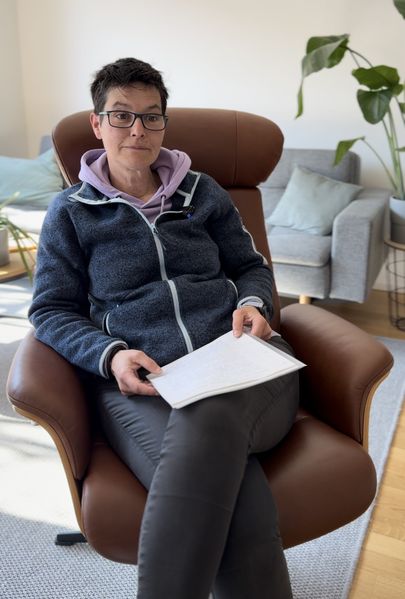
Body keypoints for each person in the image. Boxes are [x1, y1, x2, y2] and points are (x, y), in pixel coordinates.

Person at [29, 57, 299, 599]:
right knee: (240, 500)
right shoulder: (71, 213)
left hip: (243, 364)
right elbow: (50, 309)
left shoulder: (204, 193)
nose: (138, 130)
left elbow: (251, 267)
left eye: (151, 117)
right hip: (146, 383)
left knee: (211, 413)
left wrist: (254, 303)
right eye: (122, 115)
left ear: (163, 125)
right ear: (97, 123)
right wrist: (111, 354)